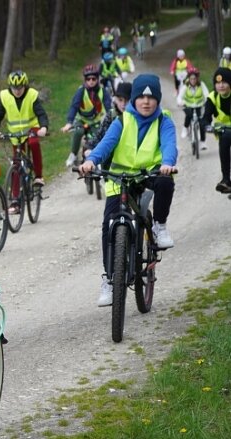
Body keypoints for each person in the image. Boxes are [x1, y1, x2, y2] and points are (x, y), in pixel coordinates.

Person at [78, 74, 177, 306]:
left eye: (151, 97)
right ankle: (110, 279)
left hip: (150, 174)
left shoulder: (164, 121)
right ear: (134, 99)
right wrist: (91, 160)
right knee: (108, 224)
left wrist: (167, 163)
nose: (146, 101)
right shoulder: (122, 120)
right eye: (141, 96)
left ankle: (159, 225)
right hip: (120, 177)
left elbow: (169, 144)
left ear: (157, 100)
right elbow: (106, 144)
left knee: (166, 182)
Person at [0, 70, 49, 214]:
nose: (17, 91)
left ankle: (39, 177)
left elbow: (41, 113)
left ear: (25, 86)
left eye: (20, 88)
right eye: (14, 88)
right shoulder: (4, 96)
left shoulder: (32, 95)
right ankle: (15, 201)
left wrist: (44, 127)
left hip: (31, 129)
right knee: (16, 165)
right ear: (10, 87)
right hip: (15, 134)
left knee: (34, 143)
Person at [61, 64, 112, 167]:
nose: (91, 81)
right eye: (88, 79)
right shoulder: (81, 91)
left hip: (95, 121)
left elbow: (109, 108)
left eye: (94, 78)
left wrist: (112, 120)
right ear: (85, 80)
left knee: (98, 136)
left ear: (97, 79)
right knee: (78, 132)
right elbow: (74, 106)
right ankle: (73, 154)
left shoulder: (103, 92)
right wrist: (69, 123)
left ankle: (97, 159)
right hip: (82, 120)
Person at [85, 82, 132, 162]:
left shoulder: (136, 117)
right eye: (120, 100)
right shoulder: (112, 114)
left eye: (127, 100)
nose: (123, 104)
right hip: (110, 157)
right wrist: (89, 147)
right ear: (115, 100)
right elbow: (100, 135)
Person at [202, 67, 231, 194]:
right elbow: (205, 117)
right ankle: (225, 180)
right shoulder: (212, 97)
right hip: (224, 133)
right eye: (218, 83)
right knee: (224, 143)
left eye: (224, 82)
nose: (221, 86)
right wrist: (207, 126)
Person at [176, 67, 209, 150]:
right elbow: (180, 96)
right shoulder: (185, 86)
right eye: (191, 79)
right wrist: (180, 102)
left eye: (194, 78)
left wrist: (207, 101)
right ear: (189, 78)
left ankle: (202, 142)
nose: (193, 80)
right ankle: (185, 128)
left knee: (202, 122)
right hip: (188, 105)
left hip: (199, 106)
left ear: (197, 78)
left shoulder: (201, 85)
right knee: (189, 115)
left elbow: (206, 94)